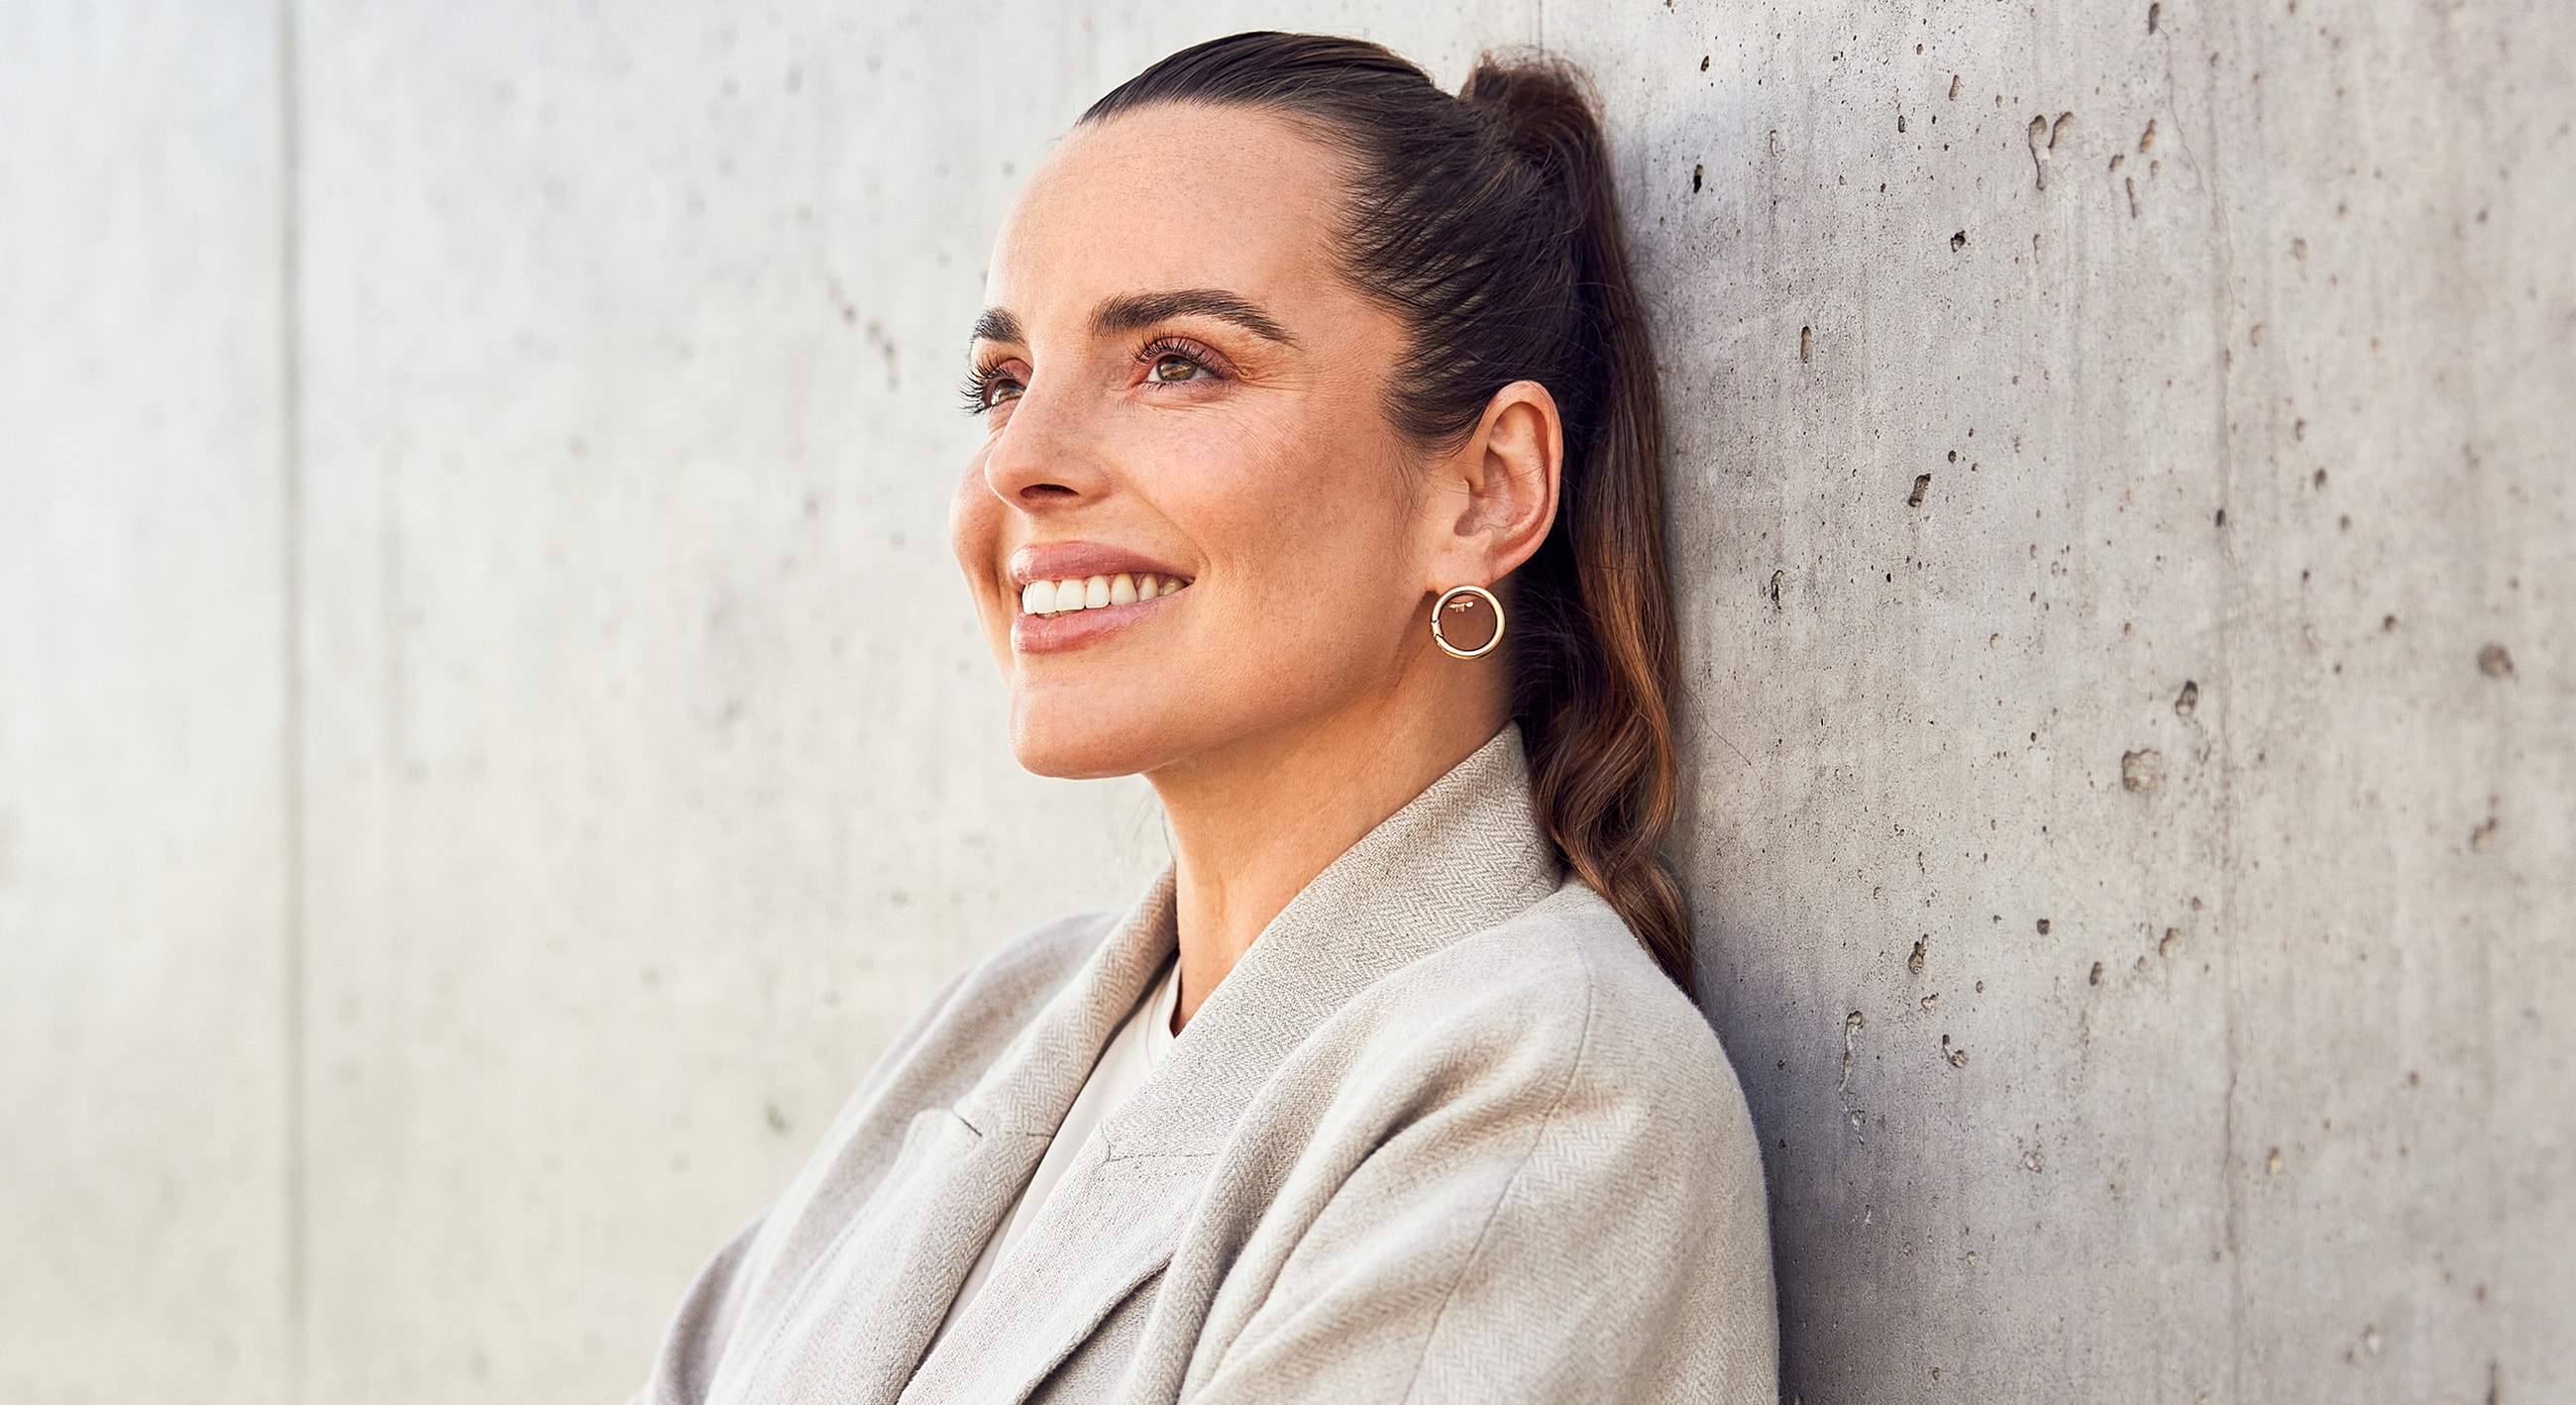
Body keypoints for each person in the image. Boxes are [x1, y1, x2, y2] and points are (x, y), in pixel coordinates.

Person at [634, 32, 1776, 1404]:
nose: (1020, 462)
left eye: (1176, 360)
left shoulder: (1550, 1098)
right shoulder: (996, 1031)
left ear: (1484, 488)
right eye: (1002, 383)